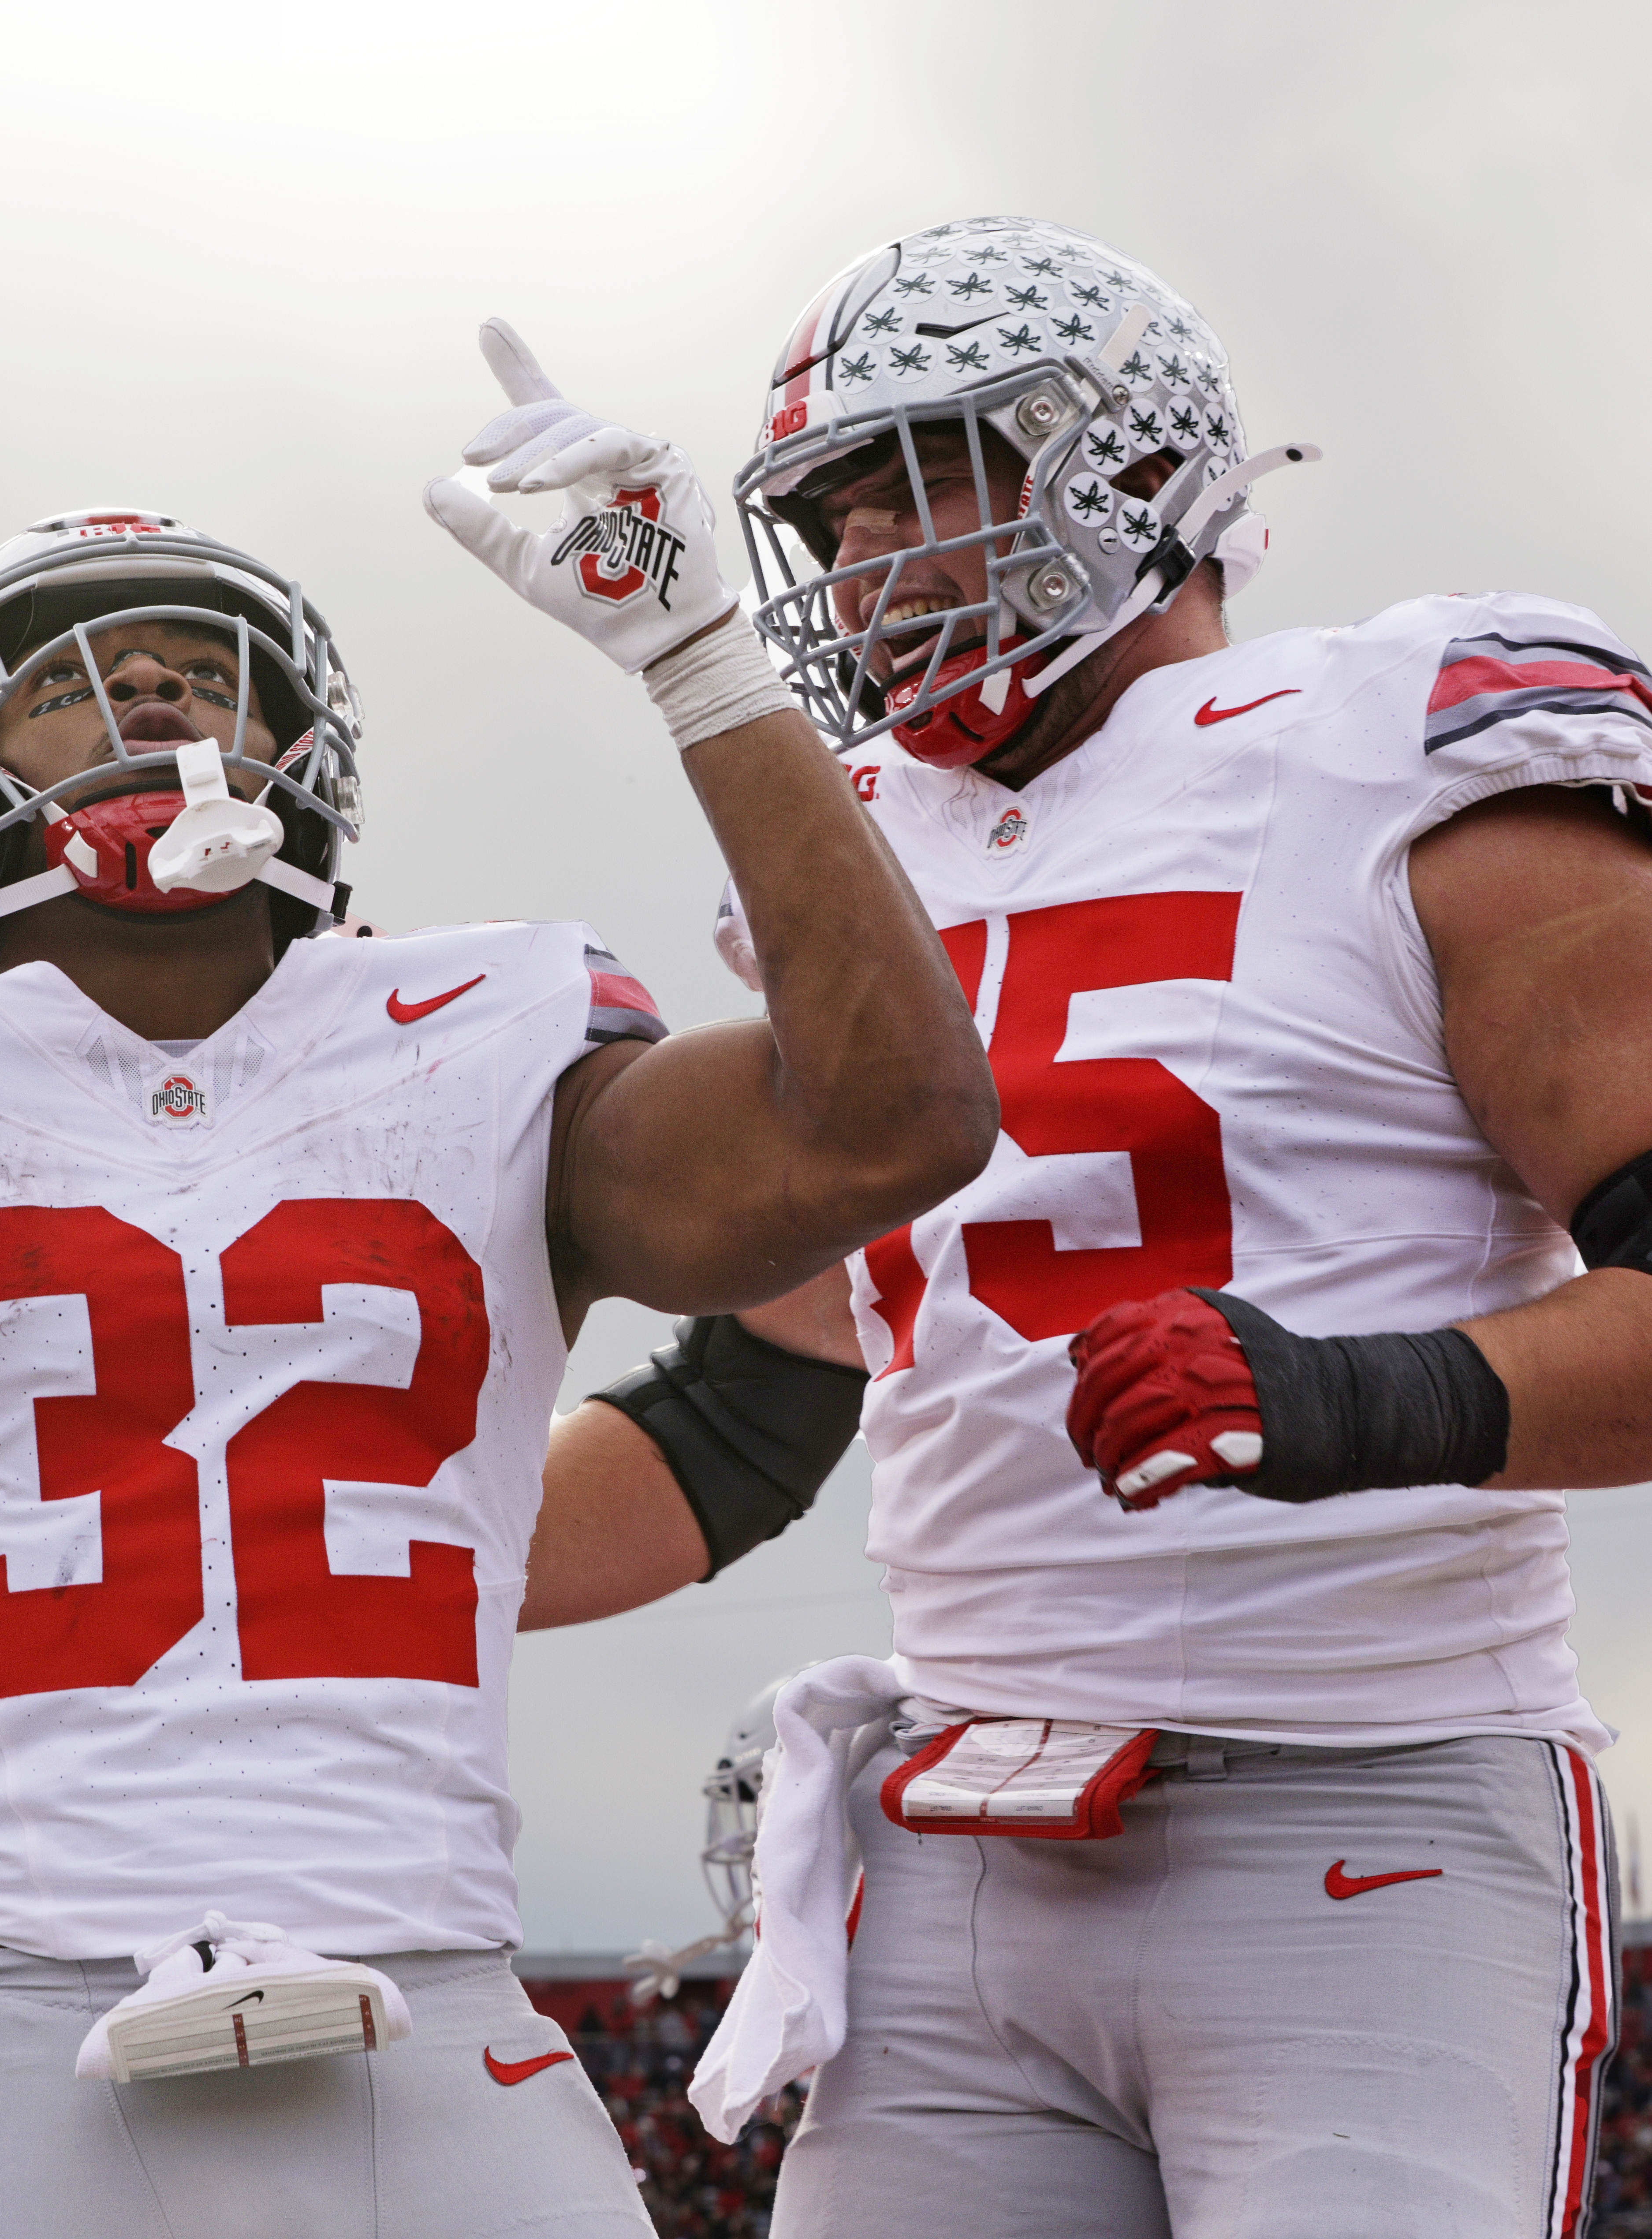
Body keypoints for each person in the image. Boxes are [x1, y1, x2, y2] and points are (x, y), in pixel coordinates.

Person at [0, 302, 992, 2235]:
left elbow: (891, 1123)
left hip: (434, 1994)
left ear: (298, 748)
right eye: (72, 684)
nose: (149, 712)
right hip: (6, 2008)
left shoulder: (482, 1025)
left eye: (201, 675)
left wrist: (695, 654)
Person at [530, 214, 1652, 2237]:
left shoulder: (1405, 744)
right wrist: (327, 1567)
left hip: (1363, 1808)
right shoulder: (850, 852)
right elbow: (741, 1417)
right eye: (836, 509)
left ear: (1134, 468)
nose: (869, 558)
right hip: (963, 1841)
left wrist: (1344, 1397)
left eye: (927, 480)